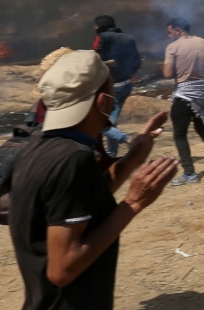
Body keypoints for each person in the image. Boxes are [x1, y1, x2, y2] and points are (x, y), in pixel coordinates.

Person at [8, 50, 177, 310]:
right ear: (103, 102)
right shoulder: (73, 159)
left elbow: (82, 201)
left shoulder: (42, 145)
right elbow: (62, 270)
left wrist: (132, 159)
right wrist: (133, 202)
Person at [163, 17, 204, 186]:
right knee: (202, 126)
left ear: (178, 30)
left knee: (180, 134)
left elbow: (168, 74)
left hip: (184, 95)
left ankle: (189, 173)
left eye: (170, 32)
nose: (169, 36)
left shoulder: (173, 47)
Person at [92, 15, 143, 157]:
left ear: (98, 27)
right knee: (111, 122)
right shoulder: (128, 38)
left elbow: (96, 59)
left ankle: (127, 139)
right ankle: (111, 153)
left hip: (111, 87)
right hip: (126, 85)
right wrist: (130, 73)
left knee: (100, 124)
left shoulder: (102, 37)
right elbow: (137, 62)